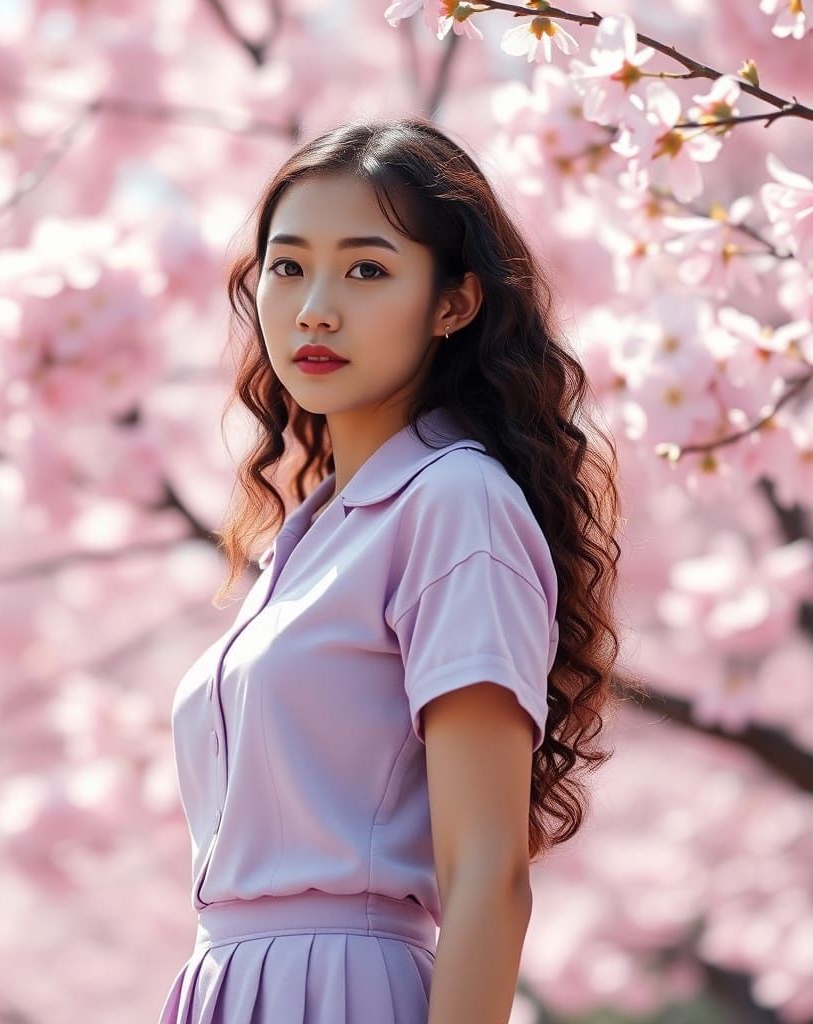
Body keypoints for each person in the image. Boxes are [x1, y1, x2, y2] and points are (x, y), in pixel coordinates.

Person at [158, 115, 632, 1024]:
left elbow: (489, 874)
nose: (315, 308)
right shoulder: (308, 537)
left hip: (344, 993)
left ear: (453, 302)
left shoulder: (457, 502)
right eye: (287, 267)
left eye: (367, 269)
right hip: (225, 989)